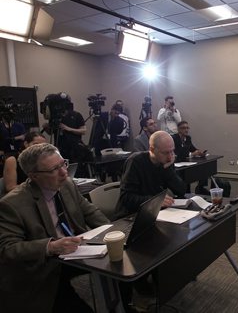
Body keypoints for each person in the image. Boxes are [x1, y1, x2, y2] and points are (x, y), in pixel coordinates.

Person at [0, 143, 109, 312]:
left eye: (63, 164)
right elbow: (8, 249)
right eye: (53, 170)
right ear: (34, 176)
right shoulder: (12, 204)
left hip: (74, 253)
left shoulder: (67, 185)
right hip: (42, 266)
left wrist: (113, 231)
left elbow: (91, 212)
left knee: (119, 270)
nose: (64, 172)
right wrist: (50, 246)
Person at [116, 130, 186, 218]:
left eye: (172, 151)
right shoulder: (135, 161)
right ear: (152, 149)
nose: (170, 157)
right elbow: (126, 198)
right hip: (131, 215)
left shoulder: (166, 161)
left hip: (154, 212)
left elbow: (181, 191)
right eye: (165, 152)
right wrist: (155, 201)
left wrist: (168, 170)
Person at [172, 121, 209, 195]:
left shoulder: (188, 138)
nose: (186, 130)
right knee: (185, 177)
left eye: (187, 128)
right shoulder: (174, 138)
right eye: (183, 128)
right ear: (178, 129)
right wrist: (191, 154)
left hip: (185, 164)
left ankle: (200, 188)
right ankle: (184, 193)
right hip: (177, 165)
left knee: (204, 166)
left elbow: (193, 149)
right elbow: (177, 154)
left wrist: (199, 152)